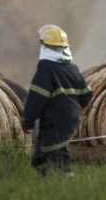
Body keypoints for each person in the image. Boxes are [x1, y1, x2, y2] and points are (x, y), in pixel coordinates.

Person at [23, 24, 92, 175]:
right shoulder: (72, 69)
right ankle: (48, 181)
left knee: (55, 154)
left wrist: (28, 120)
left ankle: (64, 182)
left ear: (45, 48)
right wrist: (73, 107)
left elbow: (37, 97)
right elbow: (87, 94)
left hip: (54, 120)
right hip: (70, 120)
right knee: (43, 155)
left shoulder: (46, 67)